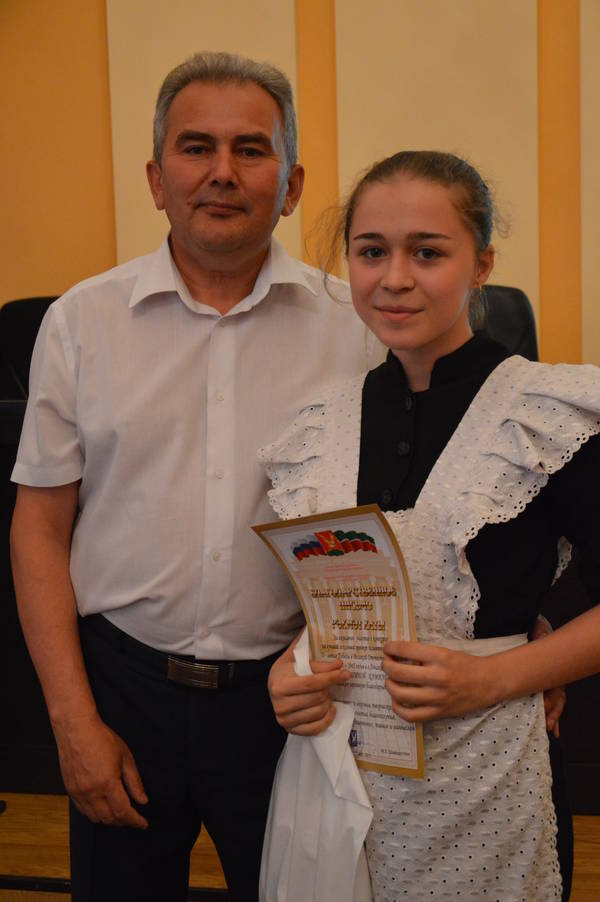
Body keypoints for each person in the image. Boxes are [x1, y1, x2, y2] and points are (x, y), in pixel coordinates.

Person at [8, 52, 383, 902]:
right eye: (196, 147)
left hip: (291, 702)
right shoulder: (80, 323)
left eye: (251, 149)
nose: (222, 172)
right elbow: (39, 530)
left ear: (291, 185)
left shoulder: (355, 331)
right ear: (156, 179)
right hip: (120, 692)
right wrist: (72, 721)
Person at [260, 150, 600, 900]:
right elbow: (334, 603)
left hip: (490, 778)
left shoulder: (544, 415)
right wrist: (291, 671)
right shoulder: (320, 425)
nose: (395, 278)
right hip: (336, 774)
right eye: (371, 252)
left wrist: (495, 676)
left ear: (482, 265)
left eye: (427, 253)